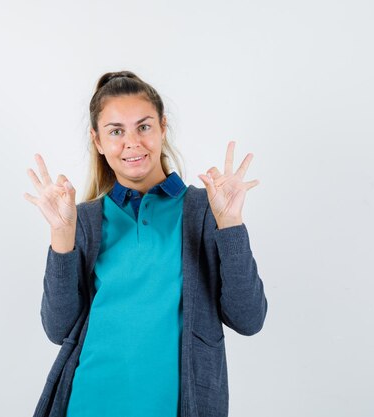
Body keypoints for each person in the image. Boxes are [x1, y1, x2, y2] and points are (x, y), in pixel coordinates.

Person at [23, 71, 268, 417]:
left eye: (144, 126)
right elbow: (57, 329)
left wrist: (230, 225)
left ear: (163, 127)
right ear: (97, 140)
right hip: (88, 401)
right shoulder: (84, 219)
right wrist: (62, 237)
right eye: (116, 131)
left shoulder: (205, 209)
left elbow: (249, 319)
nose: (132, 143)